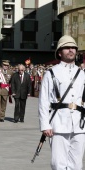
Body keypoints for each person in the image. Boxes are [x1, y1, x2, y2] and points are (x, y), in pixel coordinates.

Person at [39, 35, 85, 170]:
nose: (71, 50)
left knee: (77, 164)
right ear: (60, 52)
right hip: (58, 123)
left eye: (73, 48)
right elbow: (43, 101)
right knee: (58, 163)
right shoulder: (51, 73)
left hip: (79, 124)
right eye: (67, 48)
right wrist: (44, 124)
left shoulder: (82, 74)